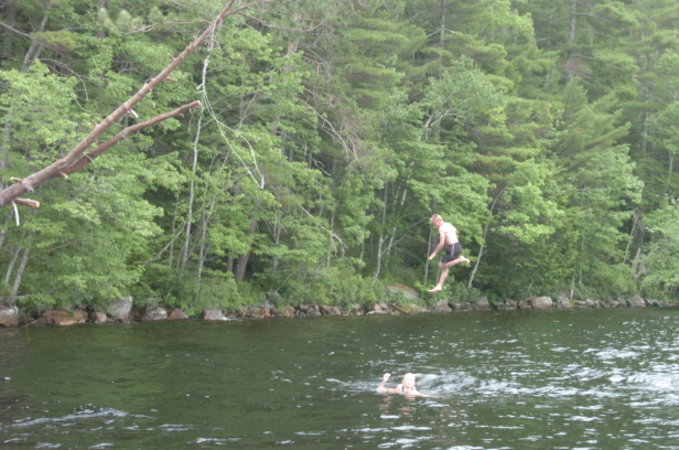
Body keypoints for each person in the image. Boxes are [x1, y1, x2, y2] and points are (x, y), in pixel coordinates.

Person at [427, 214, 470, 293]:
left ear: (437, 221)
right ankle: (439, 286)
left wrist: (434, 254)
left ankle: (460, 259)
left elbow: (441, 243)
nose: (434, 226)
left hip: (453, 248)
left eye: (434, 224)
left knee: (443, 265)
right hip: (455, 247)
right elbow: (455, 231)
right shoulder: (448, 225)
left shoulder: (442, 228)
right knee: (443, 266)